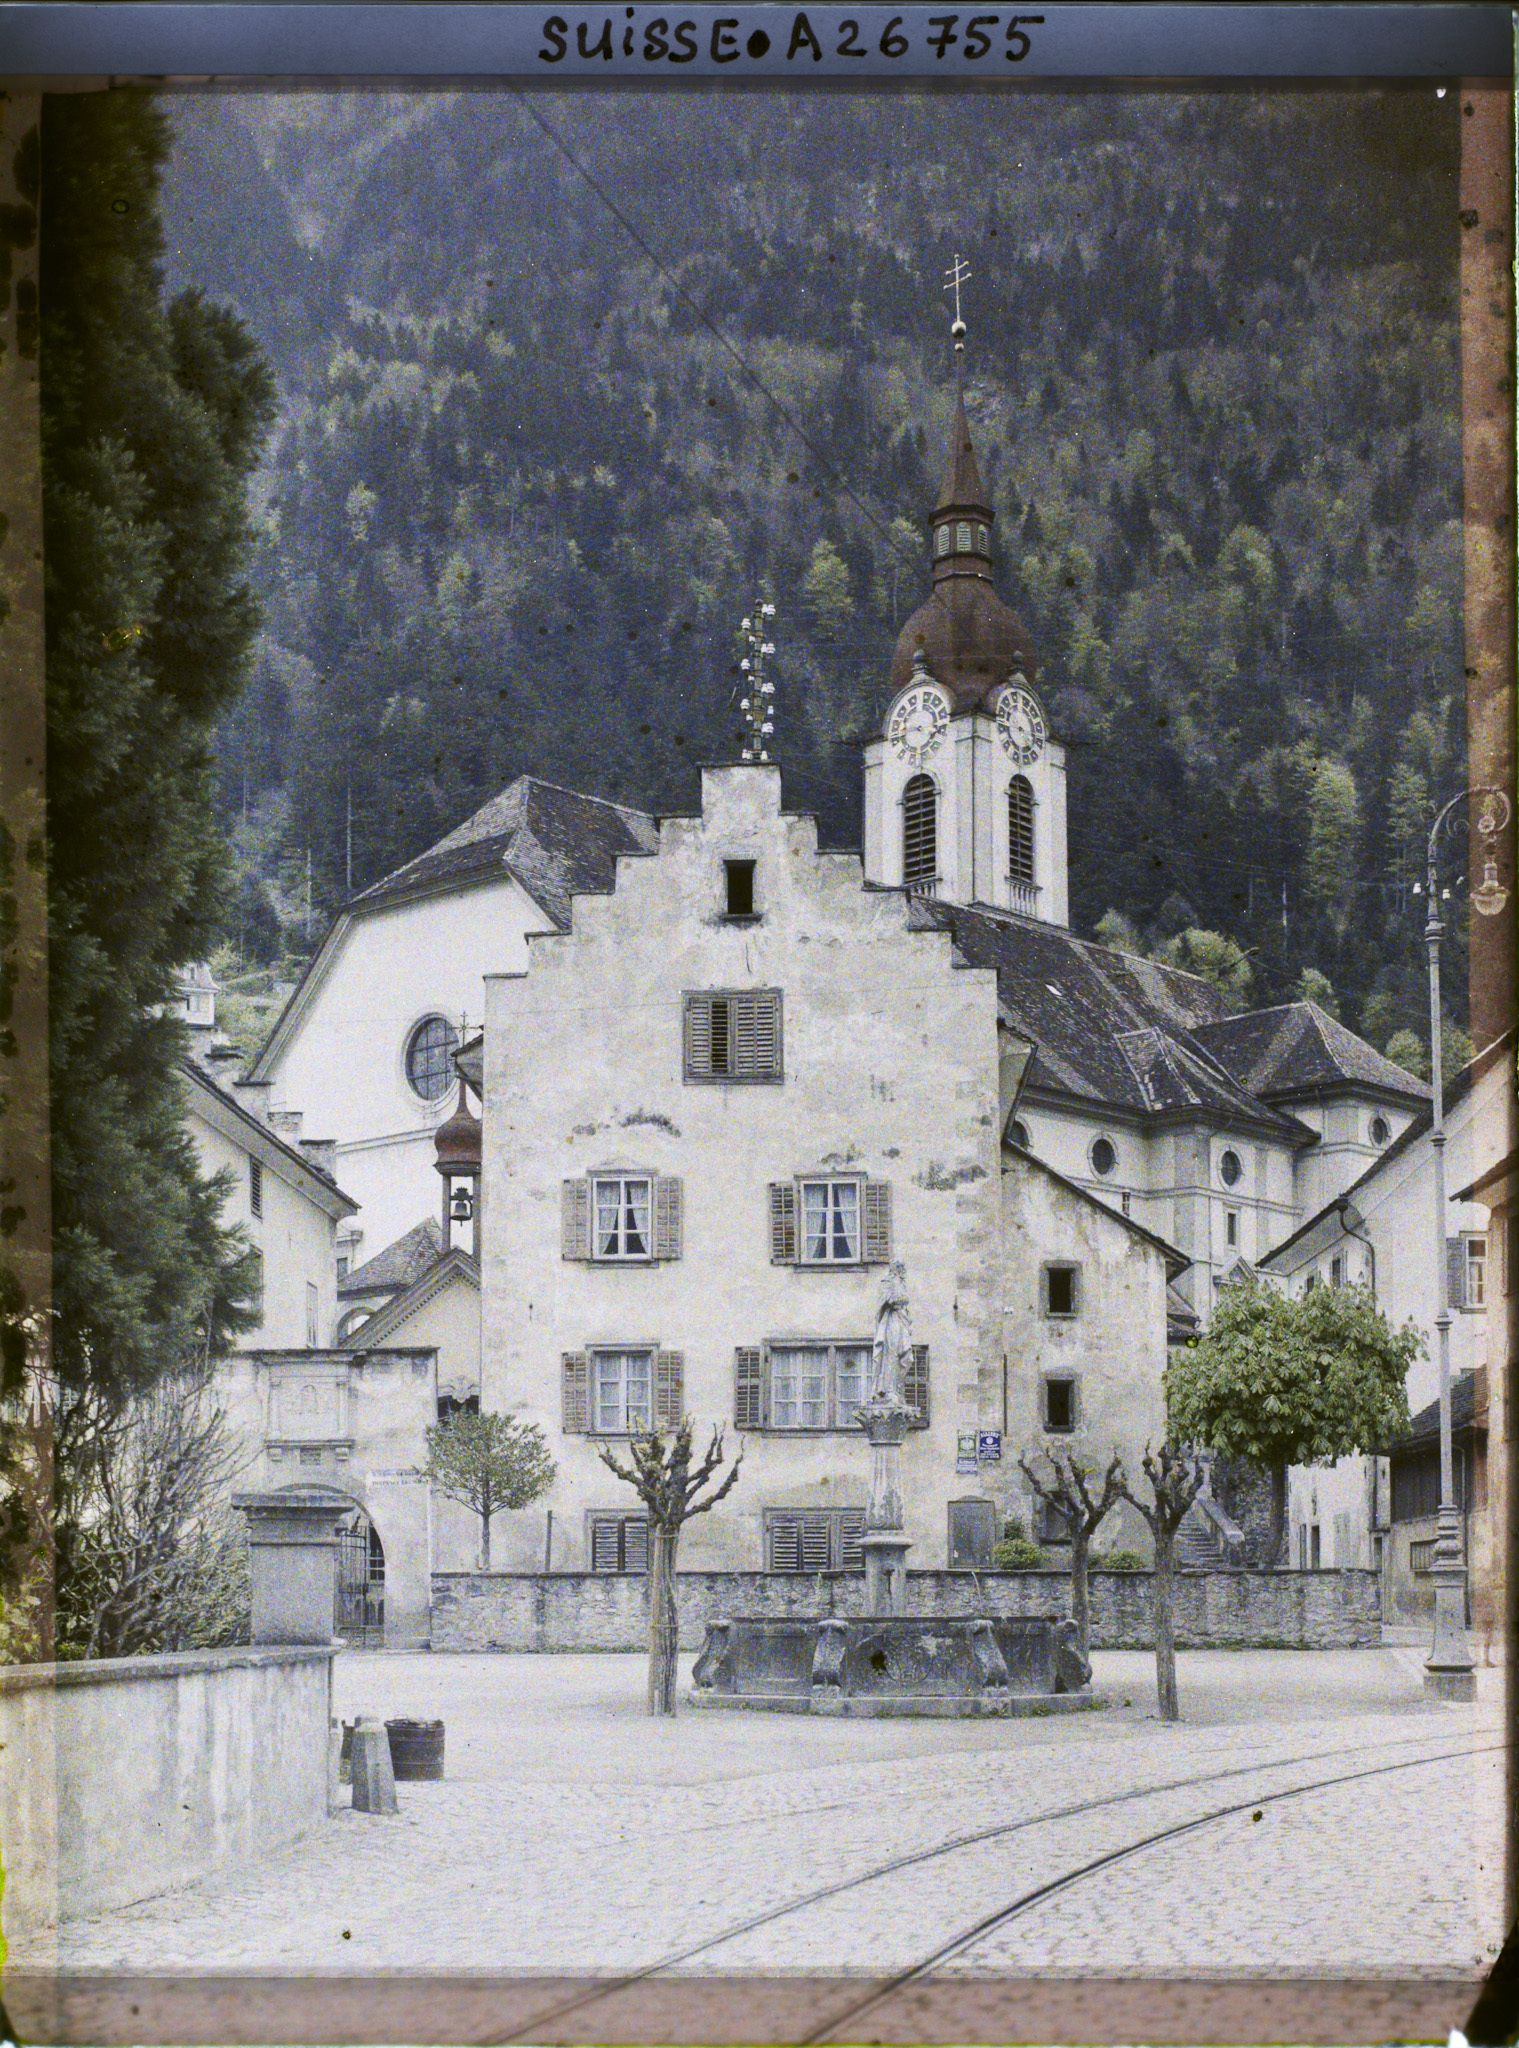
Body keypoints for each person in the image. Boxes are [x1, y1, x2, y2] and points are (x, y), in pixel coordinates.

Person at [869, 1260, 914, 1404]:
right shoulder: (887, 1281)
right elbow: (887, 1299)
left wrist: (901, 1300)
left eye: (903, 1268)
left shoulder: (902, 1284)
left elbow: (904, 1301)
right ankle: (888, 1390)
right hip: (891, 1320)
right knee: (891, 1354)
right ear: (895, 1269)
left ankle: (897, 1389)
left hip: (902, 1319)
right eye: (900, 1268)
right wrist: (897, 1299)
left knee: (907, 1357)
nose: (903, 1271)